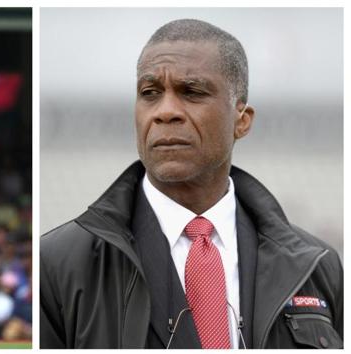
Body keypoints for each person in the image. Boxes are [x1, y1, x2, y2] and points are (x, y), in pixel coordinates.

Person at [40, 19, 343, 349]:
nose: (166, 111)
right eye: (150, 93)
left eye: (192, 92)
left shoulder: (318, 266)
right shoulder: (58, 264)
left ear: (241, 120)